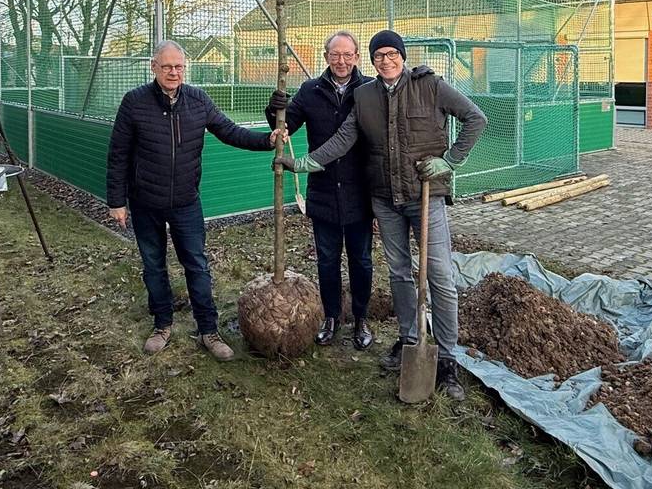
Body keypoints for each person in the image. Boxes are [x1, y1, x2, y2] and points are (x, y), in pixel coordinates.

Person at [276, 30, 487, 400]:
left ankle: (449, 357)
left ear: (402, 56)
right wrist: (305, 163)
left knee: (438, 274)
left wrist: (450, 161)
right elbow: (343, 139)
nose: (386, 61)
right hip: (385, 200)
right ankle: (408, 340)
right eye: (379, 56)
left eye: (392, 54)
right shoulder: (366, 95)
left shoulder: (430, 85)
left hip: (425, 196)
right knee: (400, 273)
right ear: (370, 61)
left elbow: (475, 119)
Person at [107, 39, 283, 361]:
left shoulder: (198, 100)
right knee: (153, 265)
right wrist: (117, 201)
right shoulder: (134, 102)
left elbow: (230, 131)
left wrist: (267, 141)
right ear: (154, 67)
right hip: (145, 200)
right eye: (167, 66)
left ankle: (208, 330)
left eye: (179, 67)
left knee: (197, 265)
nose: (174, 72)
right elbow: (118, 154)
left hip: (186, 200)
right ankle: (162, 324)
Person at [265, 31, 375, 349]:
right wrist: (275, 111)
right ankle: (330, 317)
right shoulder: (310, 91)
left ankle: (361, 318)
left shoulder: (369, 90)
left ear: (356, 57)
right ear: (326, 57)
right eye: (335, 55)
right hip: (324, 191)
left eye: (348, 55)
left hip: (359, 192)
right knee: (327, 260)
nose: (341, 61)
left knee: (362, 260)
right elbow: (286, 125)